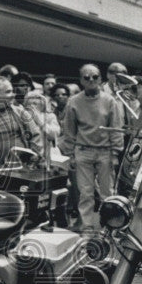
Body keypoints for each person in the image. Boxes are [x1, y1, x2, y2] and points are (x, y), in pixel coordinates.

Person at [59, 62, 124, 235]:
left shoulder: (110, 101)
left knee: (107, 192)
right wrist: (71, 155)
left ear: (100, 78)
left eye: (95, 77)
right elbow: (69, 131)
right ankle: (87, 226)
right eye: (86, 77)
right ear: (81, 80)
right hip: (83, 151)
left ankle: (108, 226)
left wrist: (116, 153)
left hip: (105, 152)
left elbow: (116, 128)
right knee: (85, 193)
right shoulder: (74, 102)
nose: (91, 80)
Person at [0, 75, 39, 167]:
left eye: (13, 91)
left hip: (21, 168)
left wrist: (33, 158)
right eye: (8, 92)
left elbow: (36, 136)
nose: (13, 95)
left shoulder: (20, 112)